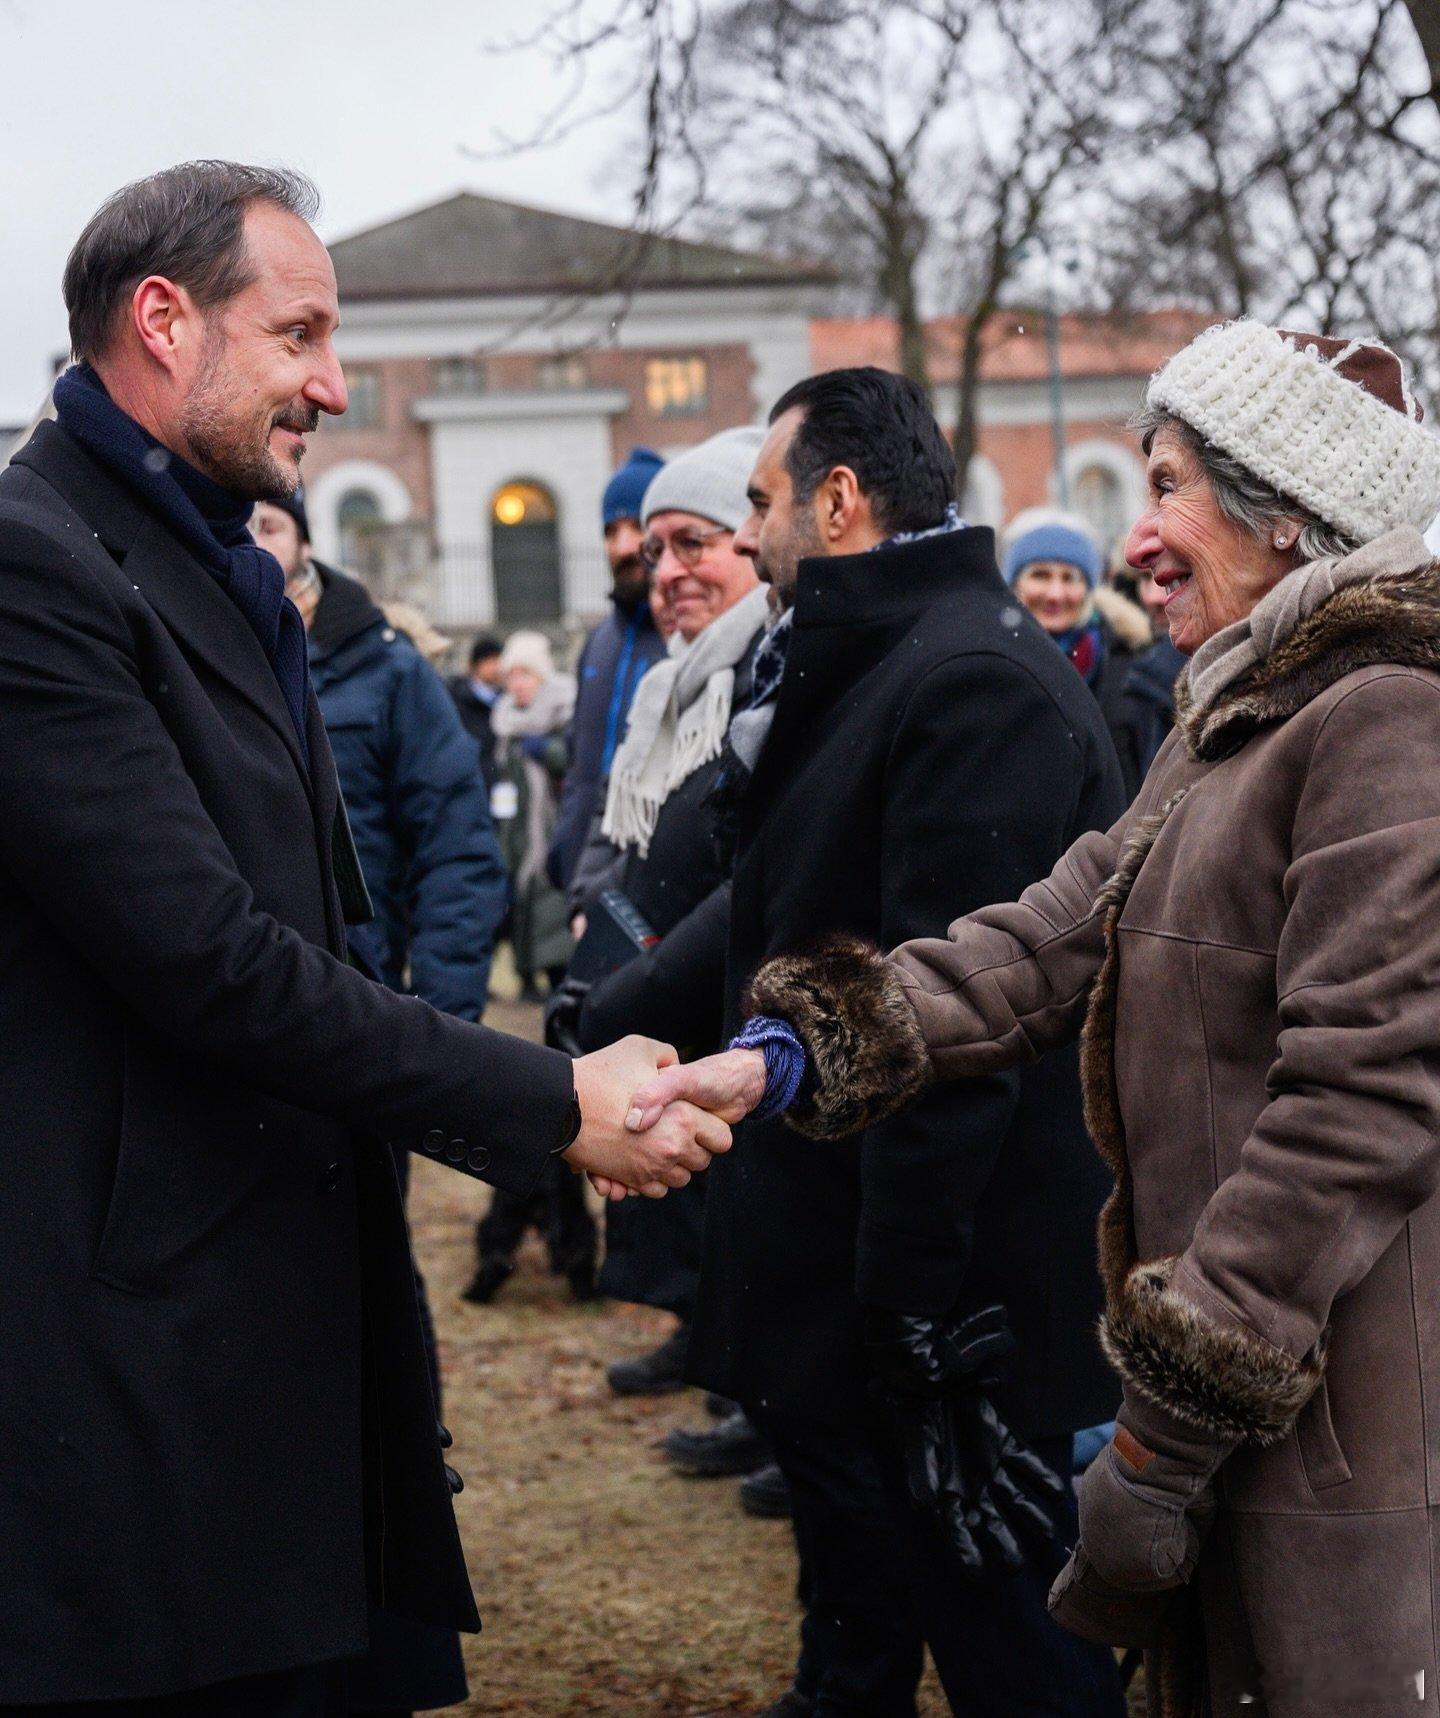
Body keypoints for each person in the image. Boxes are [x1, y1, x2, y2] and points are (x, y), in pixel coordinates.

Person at [0, 159, 731, 1716]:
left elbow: (321, 927)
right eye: (301, 335)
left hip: (274, 1302)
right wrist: (551, 1097)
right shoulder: (34, 565)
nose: (333, 386)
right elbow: (211, 958)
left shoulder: (212, 560)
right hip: (145, 1352)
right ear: (163, 322)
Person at [643, 323, 1440, 1715]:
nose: (1139, 541)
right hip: (1252, 1396)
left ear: (1288, 512)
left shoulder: (1384, 723)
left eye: (1169, 486)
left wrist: (1163, 1431)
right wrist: (796, 1051)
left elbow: (1358, 1107)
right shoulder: (1234, 717)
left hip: (1345, 1417)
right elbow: (1049, 932)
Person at [618, 367, 1129, 1717]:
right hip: (851, 1269)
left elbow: (958, 1034)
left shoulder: (970, 680)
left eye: (763, 500)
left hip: (952, 1307)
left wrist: (914, 1316)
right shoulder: (881, 655)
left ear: (838, 499)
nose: (751, 533)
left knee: (1016, 1660)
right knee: (872, 1624)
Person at [250, 490, 506, 1715]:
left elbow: (455, 840)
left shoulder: (386, 669)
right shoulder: (179, 637)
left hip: (365, 1041)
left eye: (272, 522)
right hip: (246, 1035)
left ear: (305, 539)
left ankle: (391, 1492)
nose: (253, 538)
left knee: (365, 1278)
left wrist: (433, 1021)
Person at [560, 427, 770, 1434]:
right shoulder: (668, 683)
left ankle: (752, 1390)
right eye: (656, 552)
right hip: (663, 969)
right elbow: (618, 819)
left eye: (697, 542)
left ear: (753, 542)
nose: (670, 571)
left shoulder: (768, 668)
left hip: (726, 979)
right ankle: (713, 1349)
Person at [547, 446, 668, 889]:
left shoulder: (685, 638)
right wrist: (564, 848)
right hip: (581, 878)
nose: (622, 547)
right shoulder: (598, 642)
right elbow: (578, 760)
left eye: (637, 527)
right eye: (611, 531)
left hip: (650, 885)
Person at [1003, 513, 1152, 794]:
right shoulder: (991, 664)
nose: (1055, 594)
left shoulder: (1131, 666)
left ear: (1088, 589)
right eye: (1040, 575)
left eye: (1069, 578)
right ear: (1014, 585)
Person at [448, 634, 504, 789]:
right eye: (489, 661)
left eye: (497, 660)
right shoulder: (456, 698)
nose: (495, 667)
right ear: (475, 664)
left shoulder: (506, 699)